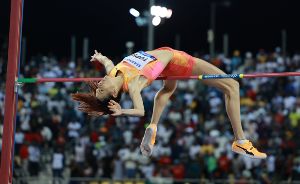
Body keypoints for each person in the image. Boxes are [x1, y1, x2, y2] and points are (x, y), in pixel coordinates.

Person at [71, 47, 267, 159]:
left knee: (167, 89)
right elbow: (140, 111)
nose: (100, 83)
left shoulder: (112, 74)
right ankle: (241, 142)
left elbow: (106, 62)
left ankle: (154, 127)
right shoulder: (134, 86)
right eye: (102, 89)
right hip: (177, 61)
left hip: (165, 63)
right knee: (232, 86)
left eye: (98, 87)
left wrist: (100, 57)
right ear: (114, 92)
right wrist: (122, 112)